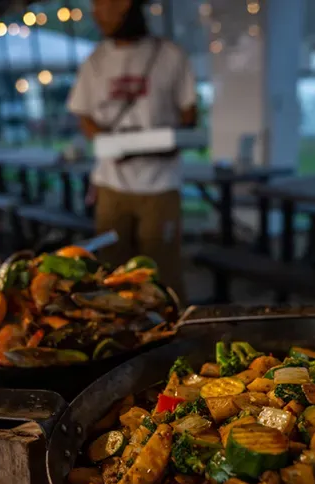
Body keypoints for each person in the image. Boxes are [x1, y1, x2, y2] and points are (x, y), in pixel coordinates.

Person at [67, 0, 197, 297]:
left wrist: (165, 141)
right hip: (112, 184)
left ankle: (170, 320)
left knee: (162, 271)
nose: (95, 14)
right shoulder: (95, 61)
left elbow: (189, 114)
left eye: (101, 6)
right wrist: (110, 143)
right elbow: (83, 114)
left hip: (160, 185)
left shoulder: (170, 55)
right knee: (110, 270)